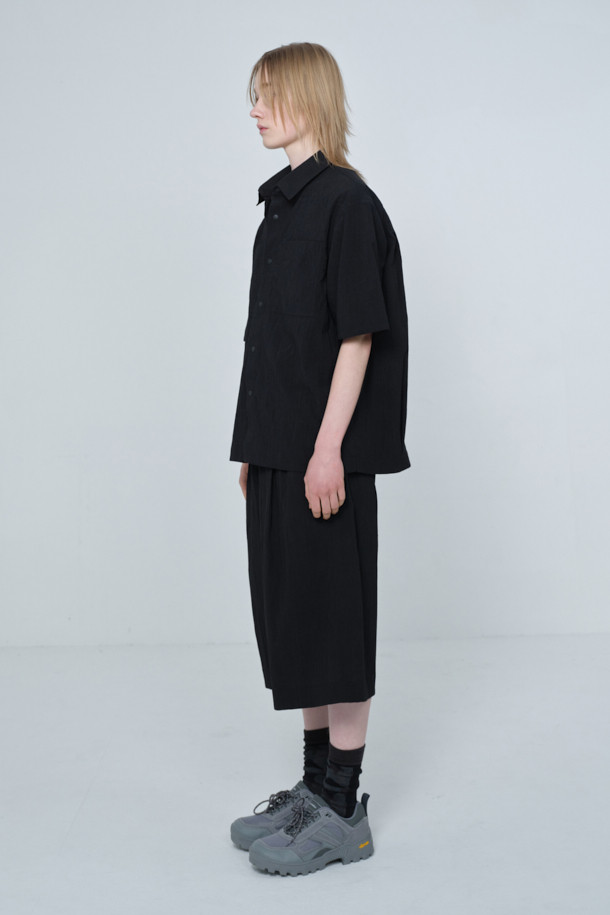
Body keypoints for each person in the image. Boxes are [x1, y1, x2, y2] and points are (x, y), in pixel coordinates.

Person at [228, 42, 410, 876]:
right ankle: (310, 791)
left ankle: (342, 807)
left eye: (268, 94)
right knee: (294, 617)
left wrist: (327, 447)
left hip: (321, 457)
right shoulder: (280, 206)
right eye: (253, 95)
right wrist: (254, 444)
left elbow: (357, 334)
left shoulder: (347, 203)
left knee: (335, 620)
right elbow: (269, 339)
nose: (255, 109)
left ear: (308, 97)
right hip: (277, 451)